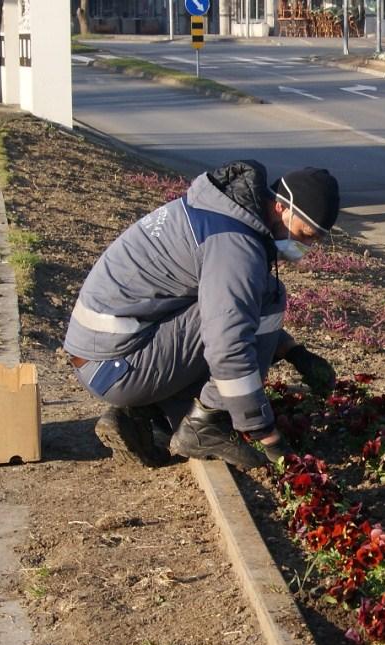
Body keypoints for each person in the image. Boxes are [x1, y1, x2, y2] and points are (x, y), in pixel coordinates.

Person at [62, 160, 341, 471]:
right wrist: (266, 435)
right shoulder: (235, 245)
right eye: (304, 234)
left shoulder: (222, 213)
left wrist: (293, 352)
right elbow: (229, 346)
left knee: (247, 301)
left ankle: (140, 413)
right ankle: (208, 424)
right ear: (280, 207)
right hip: (116, 366)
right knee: (267, 298)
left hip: (107, 353)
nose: (304, 247)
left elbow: (224, 308)